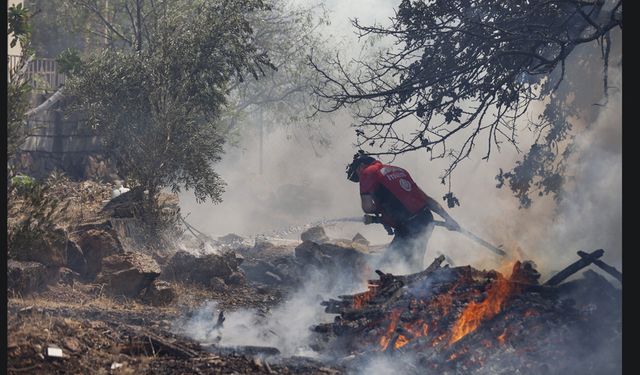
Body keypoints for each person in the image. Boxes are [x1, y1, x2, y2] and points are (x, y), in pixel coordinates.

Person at [346, 151, 460, 271]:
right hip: (425, 220)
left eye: (358, 174)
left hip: (409, 226)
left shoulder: (367, 172)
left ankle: (436, 280)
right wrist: (448, 218)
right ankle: (431, 283)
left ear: (361, 166)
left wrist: (377, 214)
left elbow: (367, 207)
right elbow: (425, 199)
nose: (360, 178)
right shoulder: (398, 171)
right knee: (413, 263)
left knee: (388, 266)